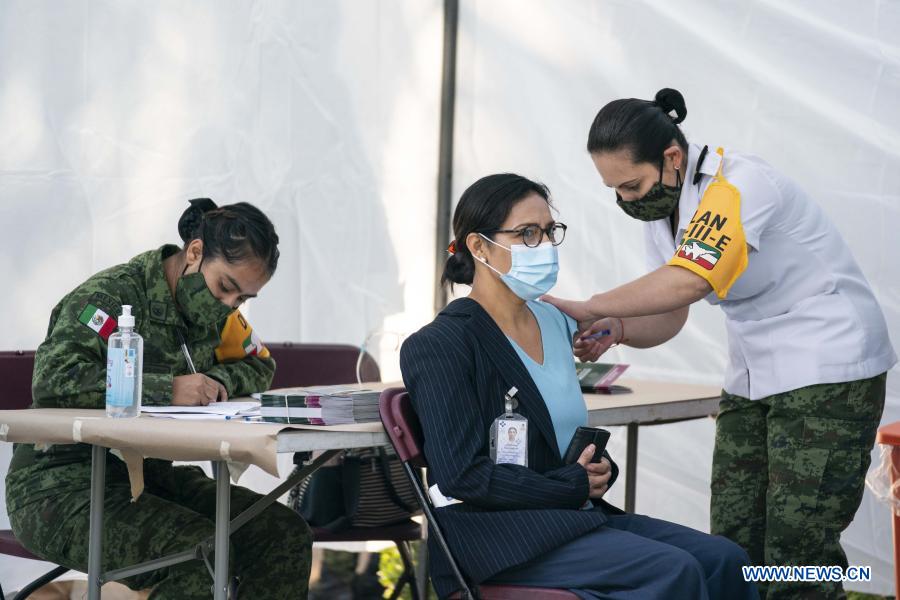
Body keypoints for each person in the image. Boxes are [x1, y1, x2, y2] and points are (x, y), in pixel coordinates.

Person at [543, 88, 897, 599]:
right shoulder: (663, 210)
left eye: (632, 184)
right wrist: (617, 329)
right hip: (755, 373)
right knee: (733, 543)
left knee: (798, 551)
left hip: (828, 365)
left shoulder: (739, 186)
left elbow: (692, 281)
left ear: (672, 157)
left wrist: (593, 305)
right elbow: (670, 311)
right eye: (614, 190)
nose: (625, 199)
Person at [400, 174, 757, 599]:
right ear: (478, 247)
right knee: (672, 570)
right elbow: (462, 476)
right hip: (495, 536)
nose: (546, 245)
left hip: (569, 516)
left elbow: (554, 433)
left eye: (551, 232)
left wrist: (596, 467)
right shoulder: (440, 344)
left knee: (726, 560)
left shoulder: (555, 321)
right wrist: (571, 484)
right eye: (528, 234)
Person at [5, 199, 312, 598]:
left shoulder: (218, 316)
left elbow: (258, 364)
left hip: (146, 477)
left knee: (281, 533)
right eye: (225, 287)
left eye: (242, 300)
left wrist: (216, 380)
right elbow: (53, 379)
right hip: (60, 484)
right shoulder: (111, 298)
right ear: (195, 252)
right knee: (198, 553)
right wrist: (167, 388)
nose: (229, 306)